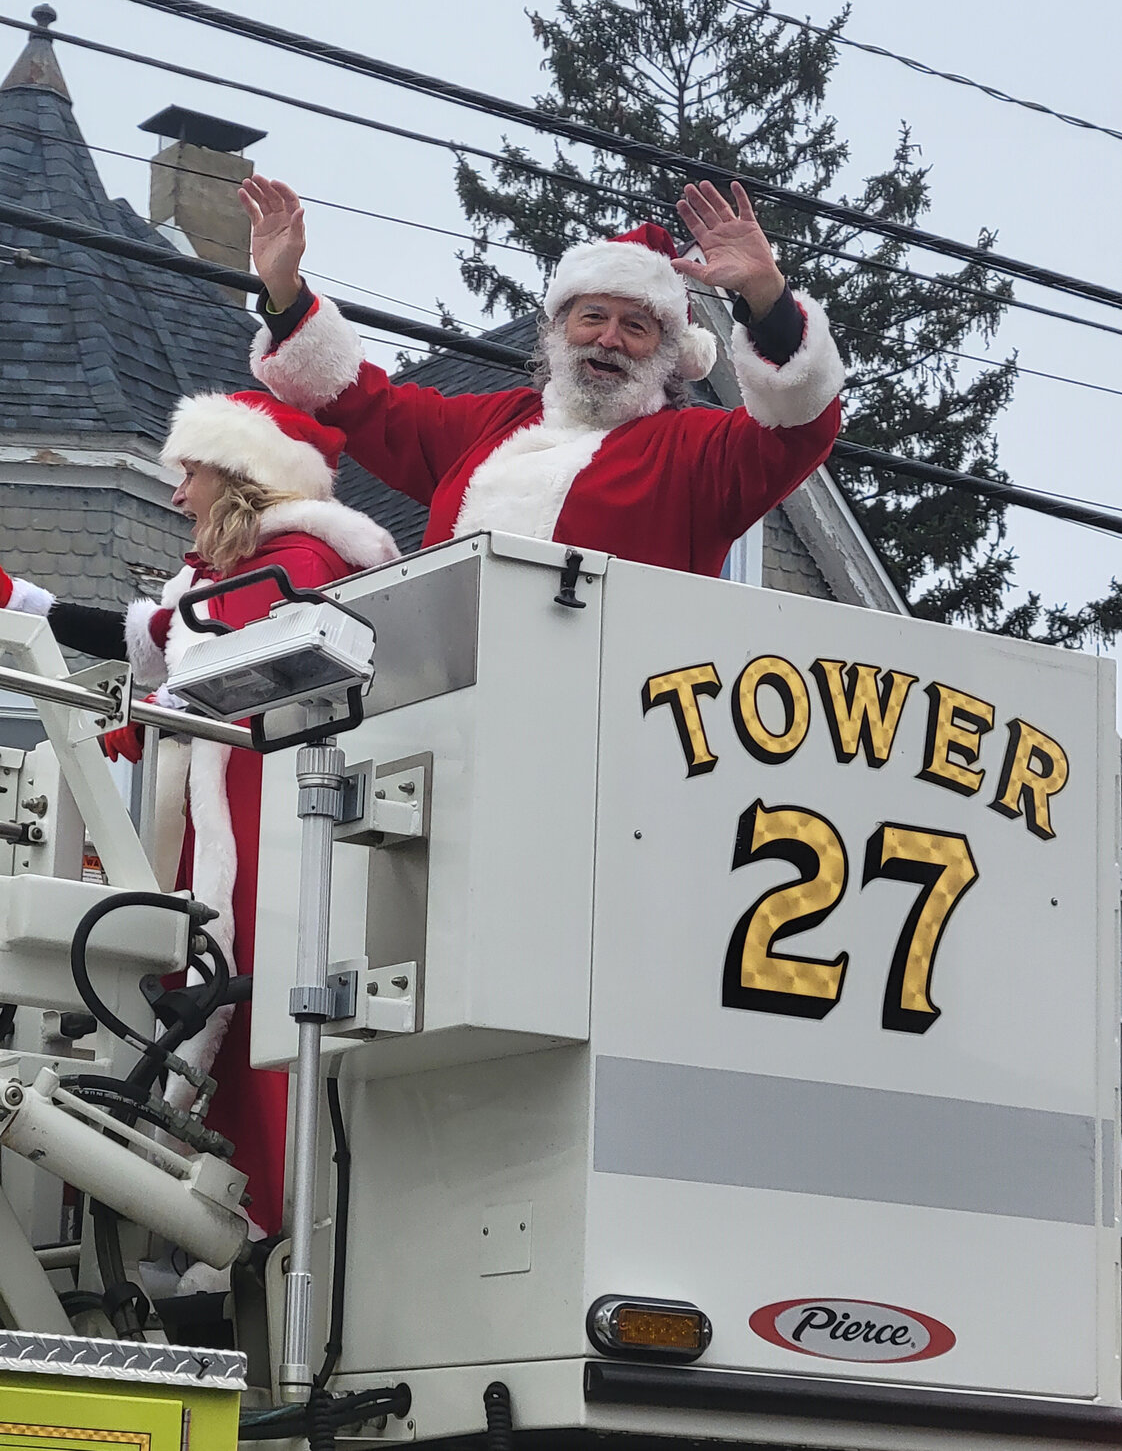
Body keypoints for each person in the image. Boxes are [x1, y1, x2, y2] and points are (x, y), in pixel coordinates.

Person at [0, 390, 399, 1235]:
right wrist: (23, 602)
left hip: (266, 826)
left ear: (241, 476)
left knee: (238, 996)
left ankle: (255, 1217)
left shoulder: (297, 563)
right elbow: (148, 643)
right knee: (201, 991)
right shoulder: (222, 572)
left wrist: (136, 734)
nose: (175, 495)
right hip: (227, 822)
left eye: (189, 474)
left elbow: (226, 687)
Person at [238, 175, 845, 578]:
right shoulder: (490, 426)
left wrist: (766, 296)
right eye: (593, 317)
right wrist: (285, 291)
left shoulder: (693, 452)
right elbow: (362, 404)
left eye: (636, 326)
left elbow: (797, 426)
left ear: (669, 351)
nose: (610, 338)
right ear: (558, 327)